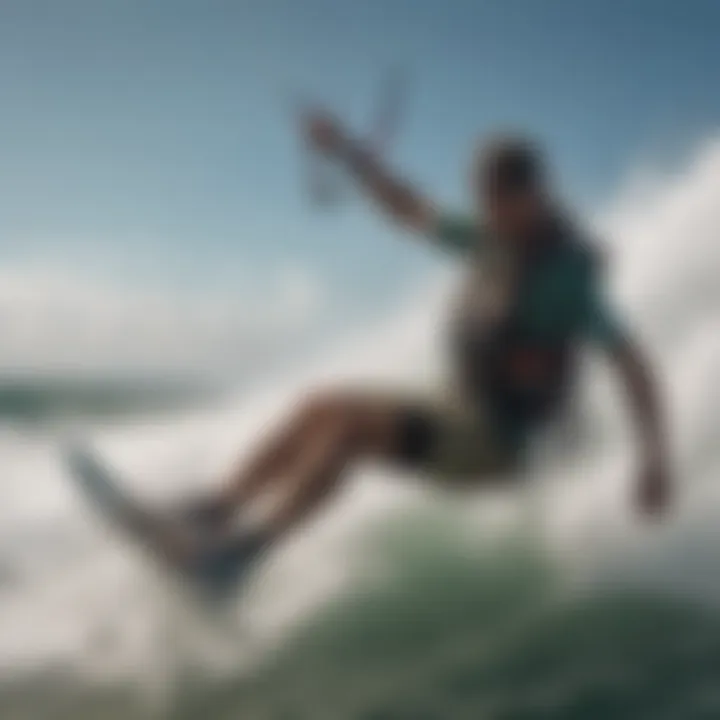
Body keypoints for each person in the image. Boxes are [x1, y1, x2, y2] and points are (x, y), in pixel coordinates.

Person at [178, 110, 671, 589]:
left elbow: (633, 364)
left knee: (349, 428)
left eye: (495, 200)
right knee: (319, 404)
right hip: (455, 405)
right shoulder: (491, 240)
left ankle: (238, 559)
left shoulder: (565, 278)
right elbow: (408, 207)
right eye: (481, 199)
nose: (485, 212)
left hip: (495, 444)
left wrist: (654, 459)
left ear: (531, 195)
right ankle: (214, 513)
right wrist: (347, 150)